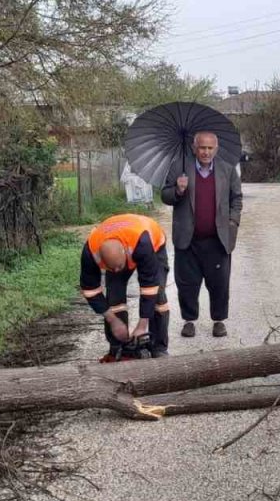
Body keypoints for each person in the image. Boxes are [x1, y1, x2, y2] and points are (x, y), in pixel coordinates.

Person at [160, 132, 243, 339]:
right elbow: (165, 196)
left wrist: (233, 222)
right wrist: (178, 190)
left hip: (218, 240)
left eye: (210, 148)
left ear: (216, 149)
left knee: (219, 283)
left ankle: (219, 321)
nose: (206, 152)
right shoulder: (180, 167)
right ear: (194, 148)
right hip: (188, 241)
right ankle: (189, 321)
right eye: (202, 148)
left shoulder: (227, 170)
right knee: (187, 283)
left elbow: (236, 199)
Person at [80, 213, 172, 362]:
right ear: (102, 259)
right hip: (119, 246)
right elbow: (90, 290)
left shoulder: (142, 242)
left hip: (154, 245)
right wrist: (113, 321)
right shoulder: (90, 251)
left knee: (158, 295)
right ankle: (117, 347)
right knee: (114, 295)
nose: (117, 271)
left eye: (119, 266)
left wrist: (142, 326)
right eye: (112, 268)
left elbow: (149, 286)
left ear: (125, 252)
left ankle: (159, 347)